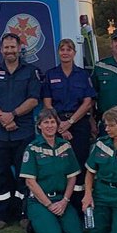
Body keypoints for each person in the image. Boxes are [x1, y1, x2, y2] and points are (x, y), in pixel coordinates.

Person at [0, 33, 42, 229]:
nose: (9, 51)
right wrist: (3, 118)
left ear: (19, 48)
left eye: (13, 47)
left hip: (23, 132)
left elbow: (33, 100)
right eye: (6, 48)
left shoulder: (31, 71)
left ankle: (24, 214)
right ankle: (1, 216)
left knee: (25, 175)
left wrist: (12, 115)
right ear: (1, 50)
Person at [41, 37, 95, 202]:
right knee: (58, 164)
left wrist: (70, 123)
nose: (65, 52)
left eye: (68, 49)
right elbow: (47, 104)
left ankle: (79, 204)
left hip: (79, 124)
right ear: (58, 52)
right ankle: (59, 201)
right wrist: (60, 126)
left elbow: (88, 102)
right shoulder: (51, 74)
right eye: (62, 49)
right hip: (56, 125)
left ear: (74, 52)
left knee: (79, 163)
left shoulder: (83, 75)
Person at [19, 109, 83, 233]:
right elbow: (30, 182)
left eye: (53, 122)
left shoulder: (65, 146)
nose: (50, 126)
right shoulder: (32, 148)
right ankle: (36, 224)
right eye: (46, 122)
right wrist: (49, 205)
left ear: (57, 125)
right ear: (39, 125)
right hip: (40, 201)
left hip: (61, 199)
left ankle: (51, 222)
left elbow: (72, 177)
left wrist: (64, 201)